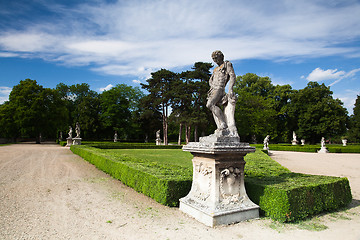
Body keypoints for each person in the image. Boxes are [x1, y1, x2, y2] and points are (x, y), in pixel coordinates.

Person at [206, 50, 238, 137]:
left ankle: (223, 123)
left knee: (209, 104)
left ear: (221, 56)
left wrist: (230, 88)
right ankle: (221, 125)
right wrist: (212, 86)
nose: (215, 60)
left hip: (220, 88)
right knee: (211, 105)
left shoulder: (227, 64)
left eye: (216, 58)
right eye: (213, 59)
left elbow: (232, 76)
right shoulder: (215, 69)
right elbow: (210, 80)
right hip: (214, 89)